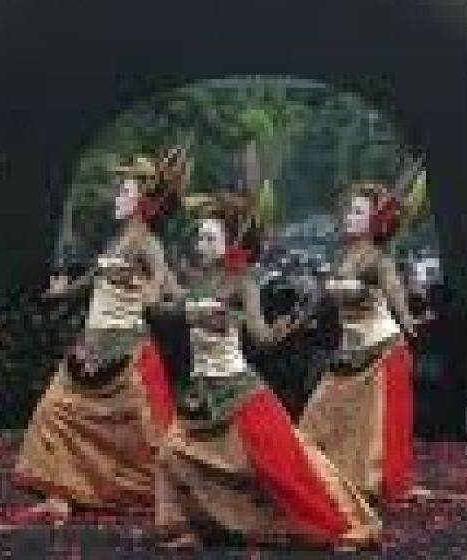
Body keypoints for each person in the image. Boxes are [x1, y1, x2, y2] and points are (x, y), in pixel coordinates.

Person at [152, 175, 381, 550]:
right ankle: (188, 527)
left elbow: (259, 338)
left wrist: (280, 329)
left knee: (280, 466)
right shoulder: (198, 284)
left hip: (239, 389)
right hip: (201, 393)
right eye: (200, 237)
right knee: (172, 454)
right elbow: (166, 314)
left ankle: (341, 522)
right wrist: (142, 295)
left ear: (232, 243)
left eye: (210, 238)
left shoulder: (244, 284)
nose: (201, 244)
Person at [12, 150, 188, 524]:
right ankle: (59, 494)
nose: (116, 198)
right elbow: (89, 282)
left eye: (124, 192)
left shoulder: (147, 245)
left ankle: (172, 495)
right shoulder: (117, 244)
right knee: (53, 412)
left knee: (142, 438)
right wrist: (59, 293)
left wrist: (148, 296)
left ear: (145, 202)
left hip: (127, 354)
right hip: (90, 349)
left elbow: (162, 293)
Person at [297, 164, 428, 503]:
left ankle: (363, 486)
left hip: (381, 352)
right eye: (348, 210)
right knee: (318, 417)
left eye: (357, 212)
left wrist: (409, 320)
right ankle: (324, 478)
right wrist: (295, 323)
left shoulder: (378, 261)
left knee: (371, 435)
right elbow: (320, 301)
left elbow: (395, 292)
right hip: (347, 354)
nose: (348, 217)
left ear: (375, 220)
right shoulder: (342, 258)